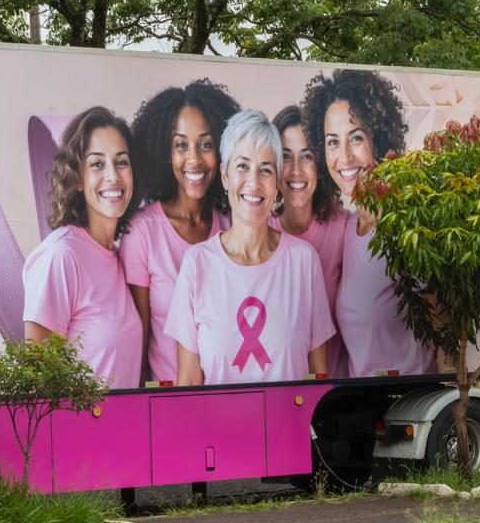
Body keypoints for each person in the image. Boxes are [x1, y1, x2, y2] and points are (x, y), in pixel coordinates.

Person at [166, 110, 333, 385]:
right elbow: (189, 384)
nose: (253, 182)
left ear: (277, 184)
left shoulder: (304, 262)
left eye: (265, 170)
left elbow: (319, 378)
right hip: (218, 416)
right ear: (225, 176)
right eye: (242, 166)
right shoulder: (197, 265)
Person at [302, 70, 436, 377]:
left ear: (379, 138)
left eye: (356, 138)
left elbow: (440, 326)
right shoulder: (348, 228)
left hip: (408, 393)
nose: (344, 156)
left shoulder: (404, 227)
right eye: (332, 142)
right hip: (363, 395)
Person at [121, 80, 240, 383]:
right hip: (169, 399)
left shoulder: (234, 224)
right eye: (181, 145)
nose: (194, 159)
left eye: (205, 144)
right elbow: (137, 345)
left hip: (231, 395)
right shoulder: (142, 232)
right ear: (165, 151)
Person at [22, 106, 143, 388]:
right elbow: (38, 381)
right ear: (77, 178)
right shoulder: (61, 255)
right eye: (97, 164)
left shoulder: (120, 257)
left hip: (128, 418)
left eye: (122, 162)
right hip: (80, 420)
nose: (113, 176)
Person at [271, 105, 351, 377]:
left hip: (334, 388)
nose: (296, 170)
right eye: (286, 157)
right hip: (279, 386)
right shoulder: (259, 230)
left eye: (307, 156)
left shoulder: (343, 228)